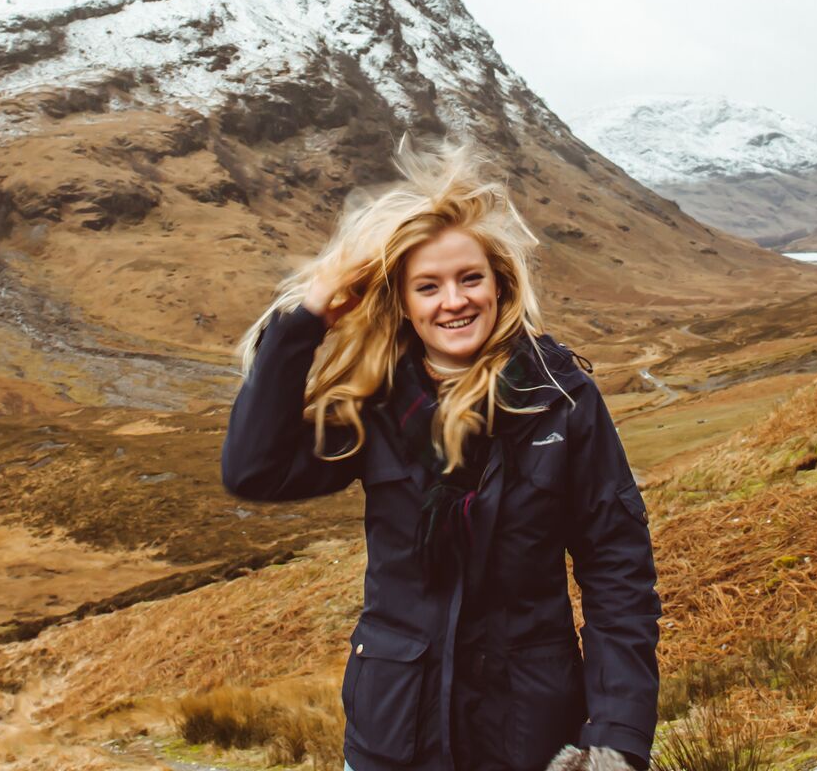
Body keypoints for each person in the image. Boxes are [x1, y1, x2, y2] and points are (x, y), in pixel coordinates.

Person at [221, 141, 659, 771]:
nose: (453, 301)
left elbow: (618, 573)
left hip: (529, 734)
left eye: (469, 278)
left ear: (500, 283)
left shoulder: (562, 399)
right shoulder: (376, 406)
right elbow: (254, 470)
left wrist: (616, 736)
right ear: (404, 303)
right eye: (428, 286)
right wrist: (306, 318)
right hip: (396, 734)